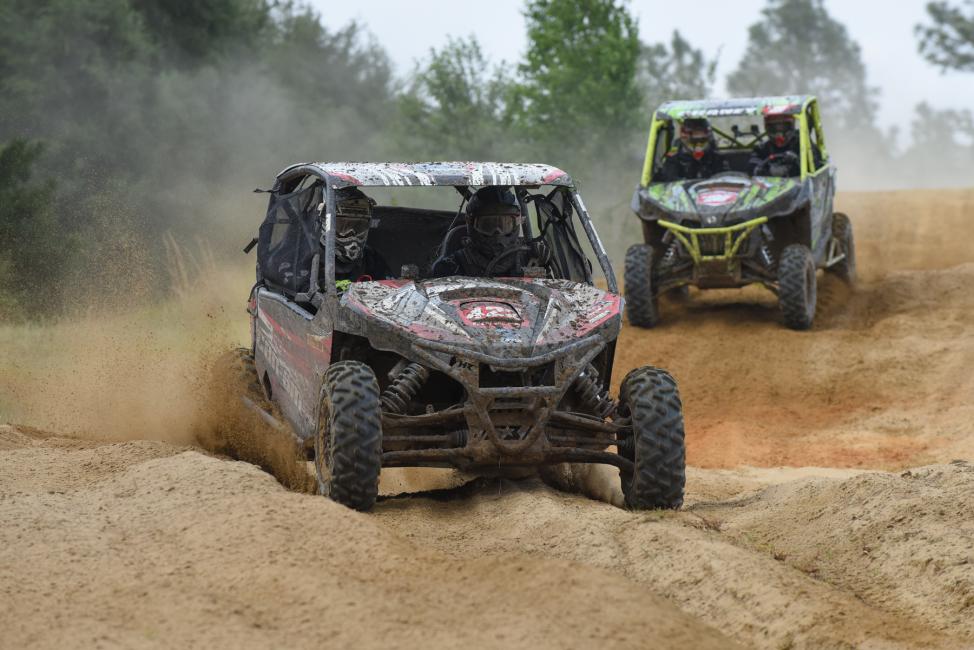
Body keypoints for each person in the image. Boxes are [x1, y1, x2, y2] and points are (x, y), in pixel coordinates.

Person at [431, 186, 528, 277]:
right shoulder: (449, 268)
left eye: (505, 224)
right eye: (488, 225)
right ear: (471, 224)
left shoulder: (529, 260)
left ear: (517, 223)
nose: (497, 233)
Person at [329, 187, 391, 284]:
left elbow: (391, 289)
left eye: (358, 226)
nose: (352, 233)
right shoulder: (311, 258)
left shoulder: (371, 258)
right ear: (327, 222)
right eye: (344, 225)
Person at [749, 113, 821, 177]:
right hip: (771, 188)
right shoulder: (762, 148)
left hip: (799, 187)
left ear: (791, 126)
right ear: (768, 128)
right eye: (774, 129)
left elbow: (816, 166)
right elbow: (752, 166)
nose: (779, 134)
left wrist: (797, 161)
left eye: (783, 127)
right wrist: (768, 171)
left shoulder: (803, 144)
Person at [657, 117, 725, 182]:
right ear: (685, 139)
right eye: (694, 141)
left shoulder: (713, 153)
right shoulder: (674, 155)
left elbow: (723, 177)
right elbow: (669, 179)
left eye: (702, 140)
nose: (699, 146)